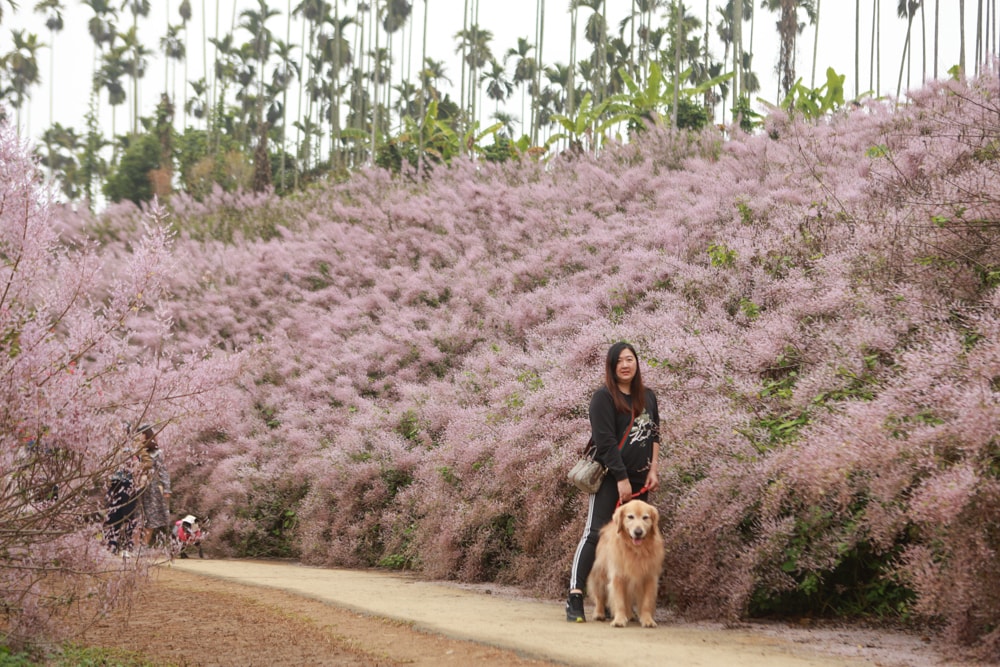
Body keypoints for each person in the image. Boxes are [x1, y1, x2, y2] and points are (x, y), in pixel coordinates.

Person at [566, 341, 661, 622]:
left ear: (636, 363)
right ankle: (575, 595)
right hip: (611, 477)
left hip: (641, 478)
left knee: (636, 538)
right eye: (619, 360)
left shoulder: (649, 396)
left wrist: (653, 470)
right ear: (611, 366)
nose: (625, 364)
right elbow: (605, 442)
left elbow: (655, 434)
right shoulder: (603, 398)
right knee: (596, 533)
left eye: (630, 359)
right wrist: (621, 478)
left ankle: (620, 604)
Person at [135, 424, 172, 547]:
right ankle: (135, 546)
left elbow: (163, 471)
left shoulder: (157, 453)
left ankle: (144, 546)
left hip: (151, 488)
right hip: (135, 487)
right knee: (136, 518)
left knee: (151, 518)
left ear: (146, 435)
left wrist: (167, 488)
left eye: (140, 434)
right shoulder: (133, 451)